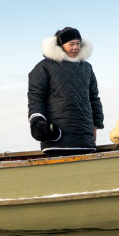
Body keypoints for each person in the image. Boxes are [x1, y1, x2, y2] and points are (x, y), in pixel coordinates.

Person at [27, 26, 103, 156]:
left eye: (78, 43)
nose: (76, 47)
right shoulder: (44, 66)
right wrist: (37, 121)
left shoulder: (87, 68)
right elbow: (36, 96)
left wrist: (96, 124)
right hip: (56, 136)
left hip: (84, 137)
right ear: (61, 45)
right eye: (71, 44)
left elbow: (94, 98)